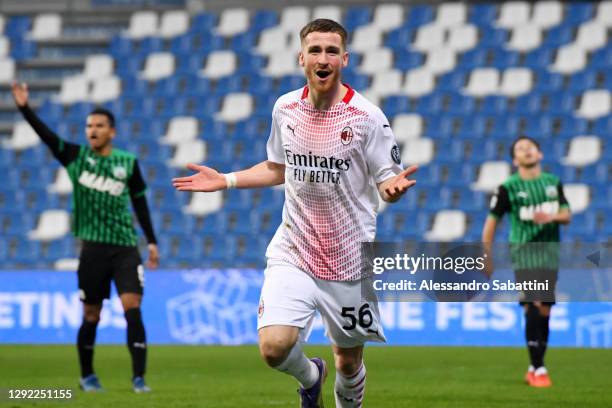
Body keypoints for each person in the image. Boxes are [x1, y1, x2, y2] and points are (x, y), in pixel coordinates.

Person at [173, 19, 416, 407]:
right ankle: (311, 376)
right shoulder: (285, 108)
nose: (324, 58)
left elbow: (388, 179)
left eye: (332, 51)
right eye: (316, 50)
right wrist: (227, 180)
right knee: (273, 348)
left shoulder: (367, 117)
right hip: (294, 251)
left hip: (350, 260)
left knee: (349, 363)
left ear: (345, 59)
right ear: (302, 57)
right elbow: (278, 167)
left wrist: (392, 189)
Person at [12, 82, 159, 393]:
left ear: (112, 132)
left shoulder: (127, 163)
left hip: (125, 249)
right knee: (91, 314)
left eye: (99, 125)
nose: (92, 130)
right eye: (89, 126)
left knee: (133, 305)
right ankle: (87, 376)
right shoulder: (75, 157)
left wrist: (152, 241)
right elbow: (48, 137)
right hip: (92, 249)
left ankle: (138, 379)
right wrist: (25, 108)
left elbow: (140, 203)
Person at [482, 136, 571, 388]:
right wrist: (486, 256)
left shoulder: (553, 183)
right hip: (524, 253)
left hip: (550, 254)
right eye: (520, 149)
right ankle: (540, 370)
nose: (526, 151)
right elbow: (491, 222)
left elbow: (567, 215)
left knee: (543, 311)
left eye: (530, 147)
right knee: (535, 301)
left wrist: (551, 217)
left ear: (540, 154)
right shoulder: (508, 187)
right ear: (515, 159)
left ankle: (534, 367)